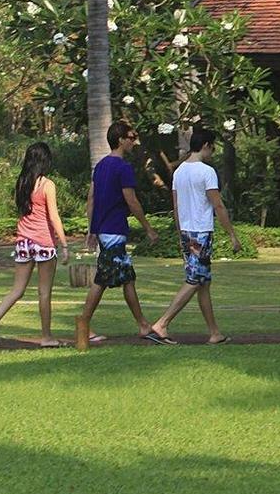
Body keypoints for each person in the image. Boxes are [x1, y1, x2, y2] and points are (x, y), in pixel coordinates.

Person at [146, 127, 243, 344]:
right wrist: (232, 236)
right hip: (201, 232)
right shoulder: (206, 172)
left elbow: (176, 205)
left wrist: (180, 232)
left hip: (187, 232)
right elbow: (218, 205)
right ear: (206, 145)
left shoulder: (179, 171)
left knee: (203, 282)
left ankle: (214, 333)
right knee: (194, 280)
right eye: (213, 147)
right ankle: (161, 324)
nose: (213, 151)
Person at [74, 120, 159, 347]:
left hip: (105, 231)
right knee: (102, 280)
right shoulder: (123, 168)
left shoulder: (101, 166)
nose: (133, 141)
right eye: (131, 137)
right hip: (114, 231)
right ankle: (84, 324)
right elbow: (131, 200)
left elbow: (92, 199)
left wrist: (92, 230)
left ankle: (142, 324)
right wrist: (148, 228)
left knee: (126, 278)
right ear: (120, 140)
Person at [0, 142, 69, 348]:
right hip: (44, 242)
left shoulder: (22, 182)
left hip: (23, 241)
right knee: (44, 292)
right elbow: (54, 217)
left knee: (17, 289)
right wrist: (64, 244)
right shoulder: (47, 185)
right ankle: (46, 337)